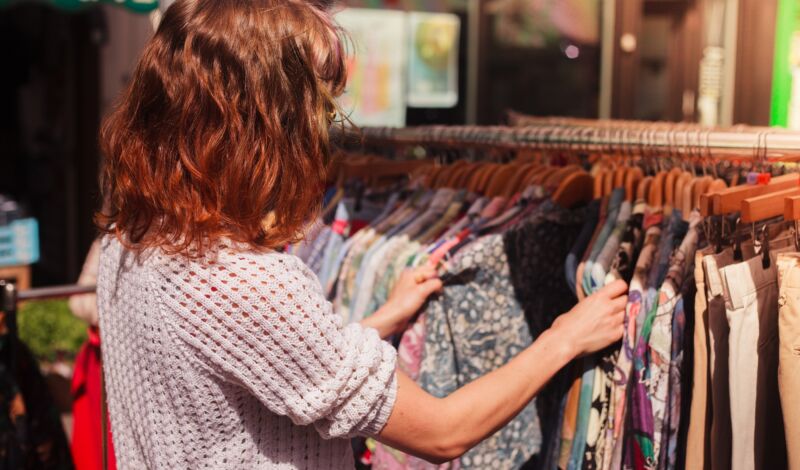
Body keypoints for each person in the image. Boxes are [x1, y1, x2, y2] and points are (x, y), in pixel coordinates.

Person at [95, 1, 628, 468]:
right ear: (261, 126)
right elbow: (443, 432)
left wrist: (379, 321)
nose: (325, 126)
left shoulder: (128, 239)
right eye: (317, 107)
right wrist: (565, 337)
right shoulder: (246, 281)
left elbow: (255, 366)